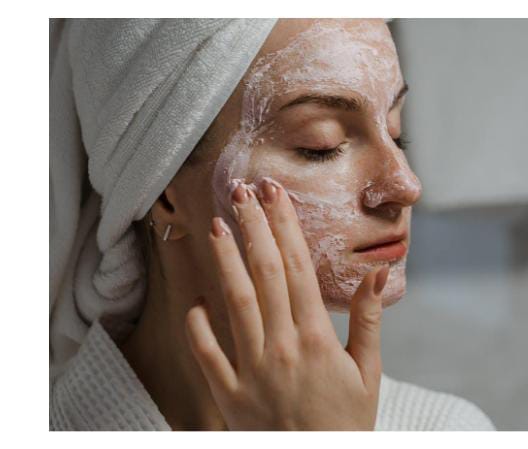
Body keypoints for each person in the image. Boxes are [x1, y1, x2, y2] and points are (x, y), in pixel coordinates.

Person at [49, 18, 495, 431]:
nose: (406, 184)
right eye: (321, 145)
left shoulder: (447, 429)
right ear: (162, 193)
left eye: (397, 134)